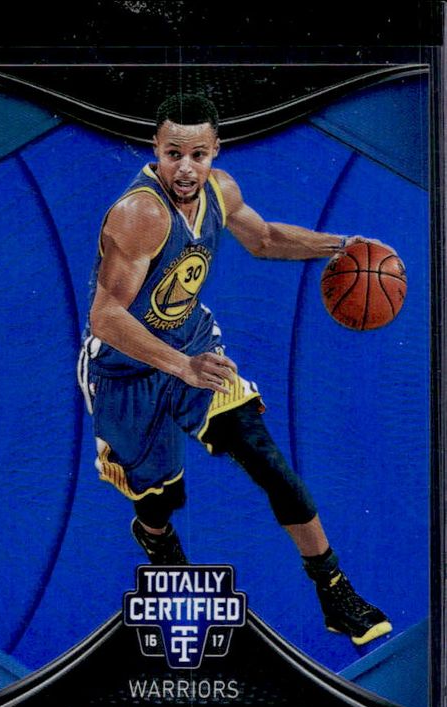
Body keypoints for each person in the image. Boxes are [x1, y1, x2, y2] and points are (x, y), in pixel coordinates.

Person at [77, 92, 392, 646]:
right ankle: (156, 537)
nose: (186, 168)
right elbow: (105, 317)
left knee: (268, 461)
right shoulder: (140, 214)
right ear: (156, 148)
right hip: (127, 372)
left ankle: (333, 590)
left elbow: (264, 238)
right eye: (174, 154)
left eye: (198, 155)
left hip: (193, 347)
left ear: (216, 151)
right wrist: (181, 367)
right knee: (159, 499)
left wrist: (342, 246)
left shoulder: (221, 192)